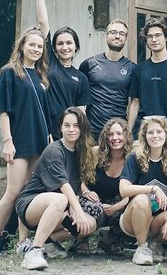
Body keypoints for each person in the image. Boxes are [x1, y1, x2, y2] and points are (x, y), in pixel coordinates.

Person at [0, 27, 52, 259]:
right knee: (12, 192)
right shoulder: (10, 72)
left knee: (27, 194)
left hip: (39, 141)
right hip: (19, 140)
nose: (36, 49)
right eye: (32, 44)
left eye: (40, 46)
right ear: (22, 46)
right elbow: (3, 110)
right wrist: (7, 141)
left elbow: (44, 111)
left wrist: (49, 135)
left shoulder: (40, 75)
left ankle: (23, 241)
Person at [13, 107, 102, 270]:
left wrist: (81, 200)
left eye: (76, 125)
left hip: (58, 207)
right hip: (31, 204)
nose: (71, 129)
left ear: (82, 128)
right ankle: (34, 251)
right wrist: (77, 210)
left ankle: (49, 240)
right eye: (67, 125)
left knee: (89, 224)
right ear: (60, 127)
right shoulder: (54, 150)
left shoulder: (80, 151)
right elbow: (64, 186)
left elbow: (74, 184)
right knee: (62, 200)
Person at [30, 0, 92, 141]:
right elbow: (43, 22)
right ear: (54, 48)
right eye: (60, 43)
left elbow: (81, 113)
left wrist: (78, 138)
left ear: (76, 46)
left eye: (69, 43)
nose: (65, 47)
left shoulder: (81, 78)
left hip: (68, 135)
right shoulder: (49, 61)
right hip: (44, 129)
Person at [119, 117, 167, 265]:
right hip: (133, 219)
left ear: (166, 134)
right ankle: (142, 248)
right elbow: (124, 190)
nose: (155, 136)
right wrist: (153, 188)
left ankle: (155, 244)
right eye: (150, 132)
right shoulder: (134, 158)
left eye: (159, 132)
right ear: (144, 136)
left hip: (158, 221)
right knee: (142, 199)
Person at [127, 18, 167, 136]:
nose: (154, 39)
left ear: (166, 37)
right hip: (143, 130)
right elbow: (134, 103)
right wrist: (129, 133)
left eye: (158, 35)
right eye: (150, 36)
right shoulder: (139, 69)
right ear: (146, 40)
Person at [79, 19, 136, 138]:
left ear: (126, 38)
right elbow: (79, 99)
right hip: (92, 131)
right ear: (106, 36)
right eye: (113, 32)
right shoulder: (89, 64)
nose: (117, 36)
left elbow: (134, 103)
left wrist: (128, 132)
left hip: (118, 132)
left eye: (122, 34)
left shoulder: (132, 68)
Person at [84, 117, 133, 253]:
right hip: (92, 201)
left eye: (119, 134)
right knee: (91, 208)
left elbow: (132, 191)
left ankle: (110, 239)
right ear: (105, 137)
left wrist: (114, 207)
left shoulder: (132, 159)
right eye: (110, 134)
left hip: (117, 206)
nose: (115, 138)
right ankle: (82, 239)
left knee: (130, 208)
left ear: (126, 136)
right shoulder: (95, 153)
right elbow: (80, 179)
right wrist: (86, 192)